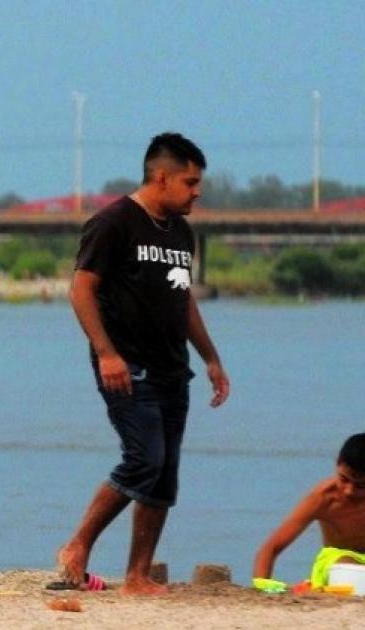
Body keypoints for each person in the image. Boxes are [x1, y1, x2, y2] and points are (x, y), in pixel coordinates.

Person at [56, 132, 231, 595]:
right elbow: (81, 290)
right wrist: (107, 353)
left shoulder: (181, 233)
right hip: (126, 366)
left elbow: (183, 300)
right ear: (161, 176)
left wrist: (211, 358)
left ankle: (137, 575)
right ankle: (76, 546)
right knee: (143, 460)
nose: (197, 191)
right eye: (190, 182)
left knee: (164, 475)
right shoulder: (113, 223)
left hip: (174, 368)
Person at [254, 434, 365, 590]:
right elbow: (271, 548)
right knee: (350, 570)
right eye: (344, 479)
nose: (349, 491)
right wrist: (262, 585)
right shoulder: (323, 497)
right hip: (339, 560)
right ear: (337, 463)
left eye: (360, 486)